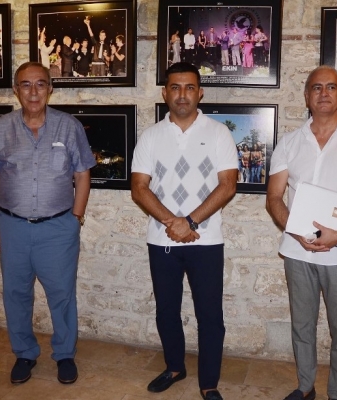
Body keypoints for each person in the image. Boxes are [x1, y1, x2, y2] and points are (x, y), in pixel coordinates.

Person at [265, 66, 337, 400]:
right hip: (297, 251)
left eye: (331, 87)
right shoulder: (289, 143)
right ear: (307, 96)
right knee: (302, 325)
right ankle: (305, 388)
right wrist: (297, 232)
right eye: (316, 88)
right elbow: (273, 198)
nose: (324, 93)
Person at [0, 62, 96, 386]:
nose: (33, 92)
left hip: (58, 228)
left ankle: (65, 354)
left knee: (61, 294)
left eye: (40, 84)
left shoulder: (69, 127)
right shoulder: (0, 128)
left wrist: (76, 217)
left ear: (50, 89)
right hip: (12, 226)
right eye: (26, 85)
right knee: (16, 293)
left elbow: (83, 173)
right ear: (16, 90)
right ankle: (25, 354)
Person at [130, 62, 237, 400]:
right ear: (165, 93)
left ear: (200, 93)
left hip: (206, 240)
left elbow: (228, 185)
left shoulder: (218, 133)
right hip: (161, 238)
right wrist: (172, 222)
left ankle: (209, 383)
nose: (182, 94)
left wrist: (189, 222)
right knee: (166, 311)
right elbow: (139, 188)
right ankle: (175, 367)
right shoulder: (151, 136)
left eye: (189, 87)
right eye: (175, 87)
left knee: (210, 315)